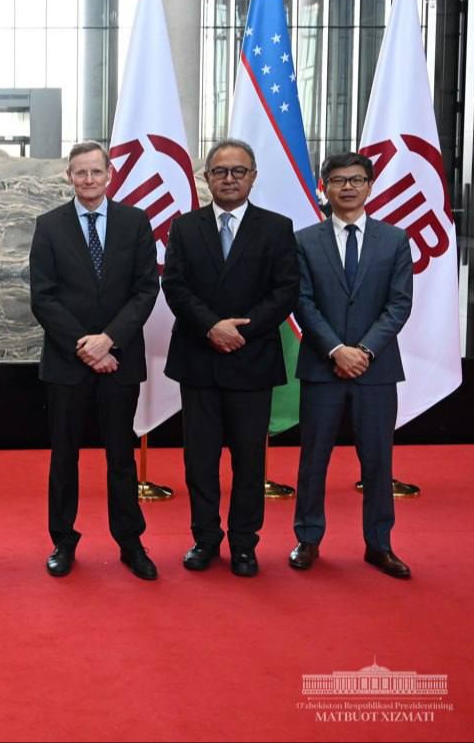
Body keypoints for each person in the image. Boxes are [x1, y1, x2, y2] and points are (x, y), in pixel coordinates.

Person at [162, 139, 299, 577]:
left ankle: (244, 543)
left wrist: (241, 331)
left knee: (249, 461)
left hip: (252, 359)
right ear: (207, 178)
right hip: (199, 359)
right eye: (220, 171)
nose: (229, 179)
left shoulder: (277, 228)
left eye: (238, 171)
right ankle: (205, 539)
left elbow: (285, 291)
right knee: (200, 461)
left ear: (253, 177)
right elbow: (175, 286)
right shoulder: (185, 227)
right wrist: (211, 327)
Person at [29, 142, 160, 580]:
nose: (88, 180)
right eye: (80, 172)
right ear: (69, 176)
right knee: (64, 457)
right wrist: (84, 347)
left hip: (120, 360)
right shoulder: (49, 225)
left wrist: (109, 341)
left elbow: (146, 289)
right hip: (67, 363)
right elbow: (43, 297)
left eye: (95, 172)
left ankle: (130, 542)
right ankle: (63, 541)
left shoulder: (135, 222)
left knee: (121, 457)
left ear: (109, 175)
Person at [290, 152, 413, 578]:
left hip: (376, 370)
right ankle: (308, 538)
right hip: (322, 367)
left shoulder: (394, 240)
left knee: (378, 460)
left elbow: (399, 304)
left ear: (369, 186)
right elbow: (302, 302)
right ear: (324, 187)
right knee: (314, 458)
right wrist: (335, 350)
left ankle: (379, 544)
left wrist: (364, 351)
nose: (347, 187)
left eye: (356, 180)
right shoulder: (304, 240)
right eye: (338, 180)